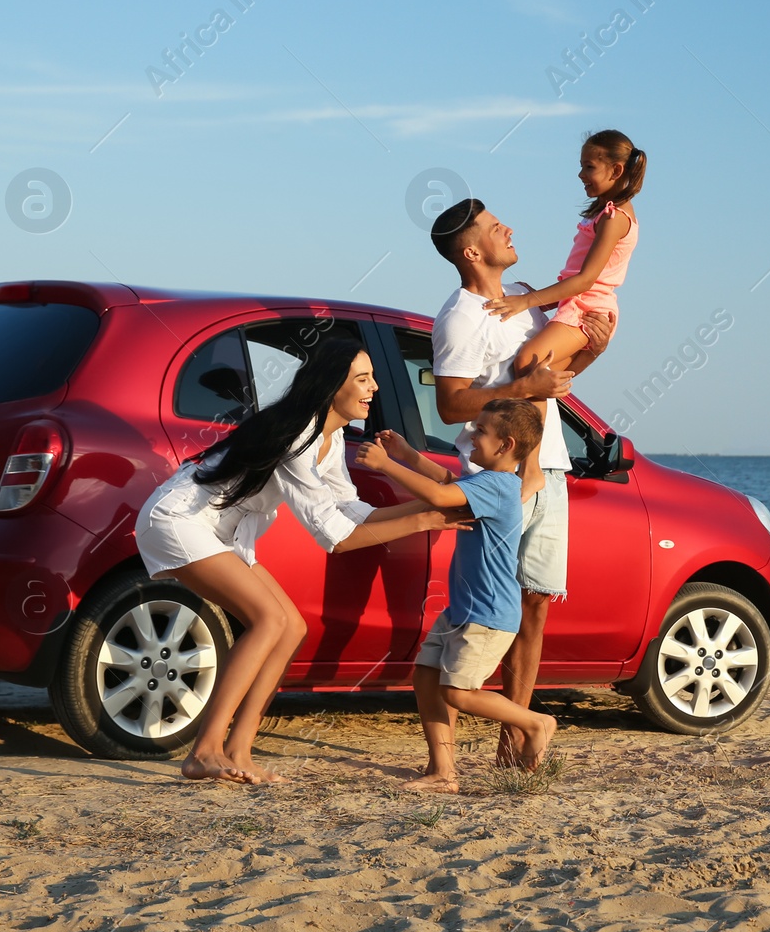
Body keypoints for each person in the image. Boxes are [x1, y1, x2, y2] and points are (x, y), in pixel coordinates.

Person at [135, 339, 463, 785]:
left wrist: (437, 510)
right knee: (268, 619)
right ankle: (205, 751)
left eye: (371, 378)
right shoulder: (297, 435)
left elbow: (352, 513)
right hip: (180, 520)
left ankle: (239, 750)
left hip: (221, 529)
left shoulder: (331, 438)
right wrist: (425, 517)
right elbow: (335, 538)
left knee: (292, 625)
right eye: (362, 379)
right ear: (332, 387)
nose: (374, 388)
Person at [428, 196, 613, 767]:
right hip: (495, 479)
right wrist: (525, 391)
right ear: (472, 250)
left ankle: (516, 745)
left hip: (549, 469)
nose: (507, 228)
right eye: (492, 226)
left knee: (535, 607)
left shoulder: (530, 306)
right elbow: (451, 404)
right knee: (474, 612)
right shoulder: (459, 316)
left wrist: (588, 357)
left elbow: (551, 385)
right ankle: (446, 763)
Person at [354, 399, 557, 792]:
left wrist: (386, 465)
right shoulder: (492, 480)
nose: (469, 435)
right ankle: (442, 772)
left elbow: (439, 496)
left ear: (505, 445)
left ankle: (535, 722)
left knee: (458, 692)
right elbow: (448, 485)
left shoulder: (498, 485)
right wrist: (409, 454)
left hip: (487, 614)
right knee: (427, 678)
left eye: (480, 430)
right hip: (462, 610)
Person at [481, 130, 644, 497]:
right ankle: (524, 461)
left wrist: (528, 301)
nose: (581, 174)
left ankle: (532, 468)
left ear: (616, 170)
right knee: (543, 378)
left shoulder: (615, 218)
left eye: (589, 167)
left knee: (529, 362)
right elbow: (577, 277)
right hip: (577, 302)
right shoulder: (604, 213)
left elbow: (587, 280)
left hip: (590, 308)